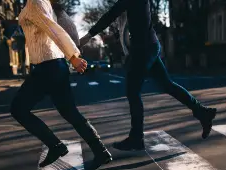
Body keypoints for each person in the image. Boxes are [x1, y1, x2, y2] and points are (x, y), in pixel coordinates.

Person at [79, 0, 217, 151]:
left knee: (133, 91)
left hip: (143, 48)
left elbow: (111, 14)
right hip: (148, 45)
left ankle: (136, 137)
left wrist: (88, 36)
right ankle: (202, 112)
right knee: (167, 85)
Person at [11, 0, 112, 169]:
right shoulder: (42, 3)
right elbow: (65, 26)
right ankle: (100, 152)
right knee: (70, 112)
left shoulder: (36, 2)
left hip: (47, 66)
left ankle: (55, 145)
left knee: (18, 109)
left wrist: (73, 56)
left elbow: (54, 29)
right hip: (54, 65)